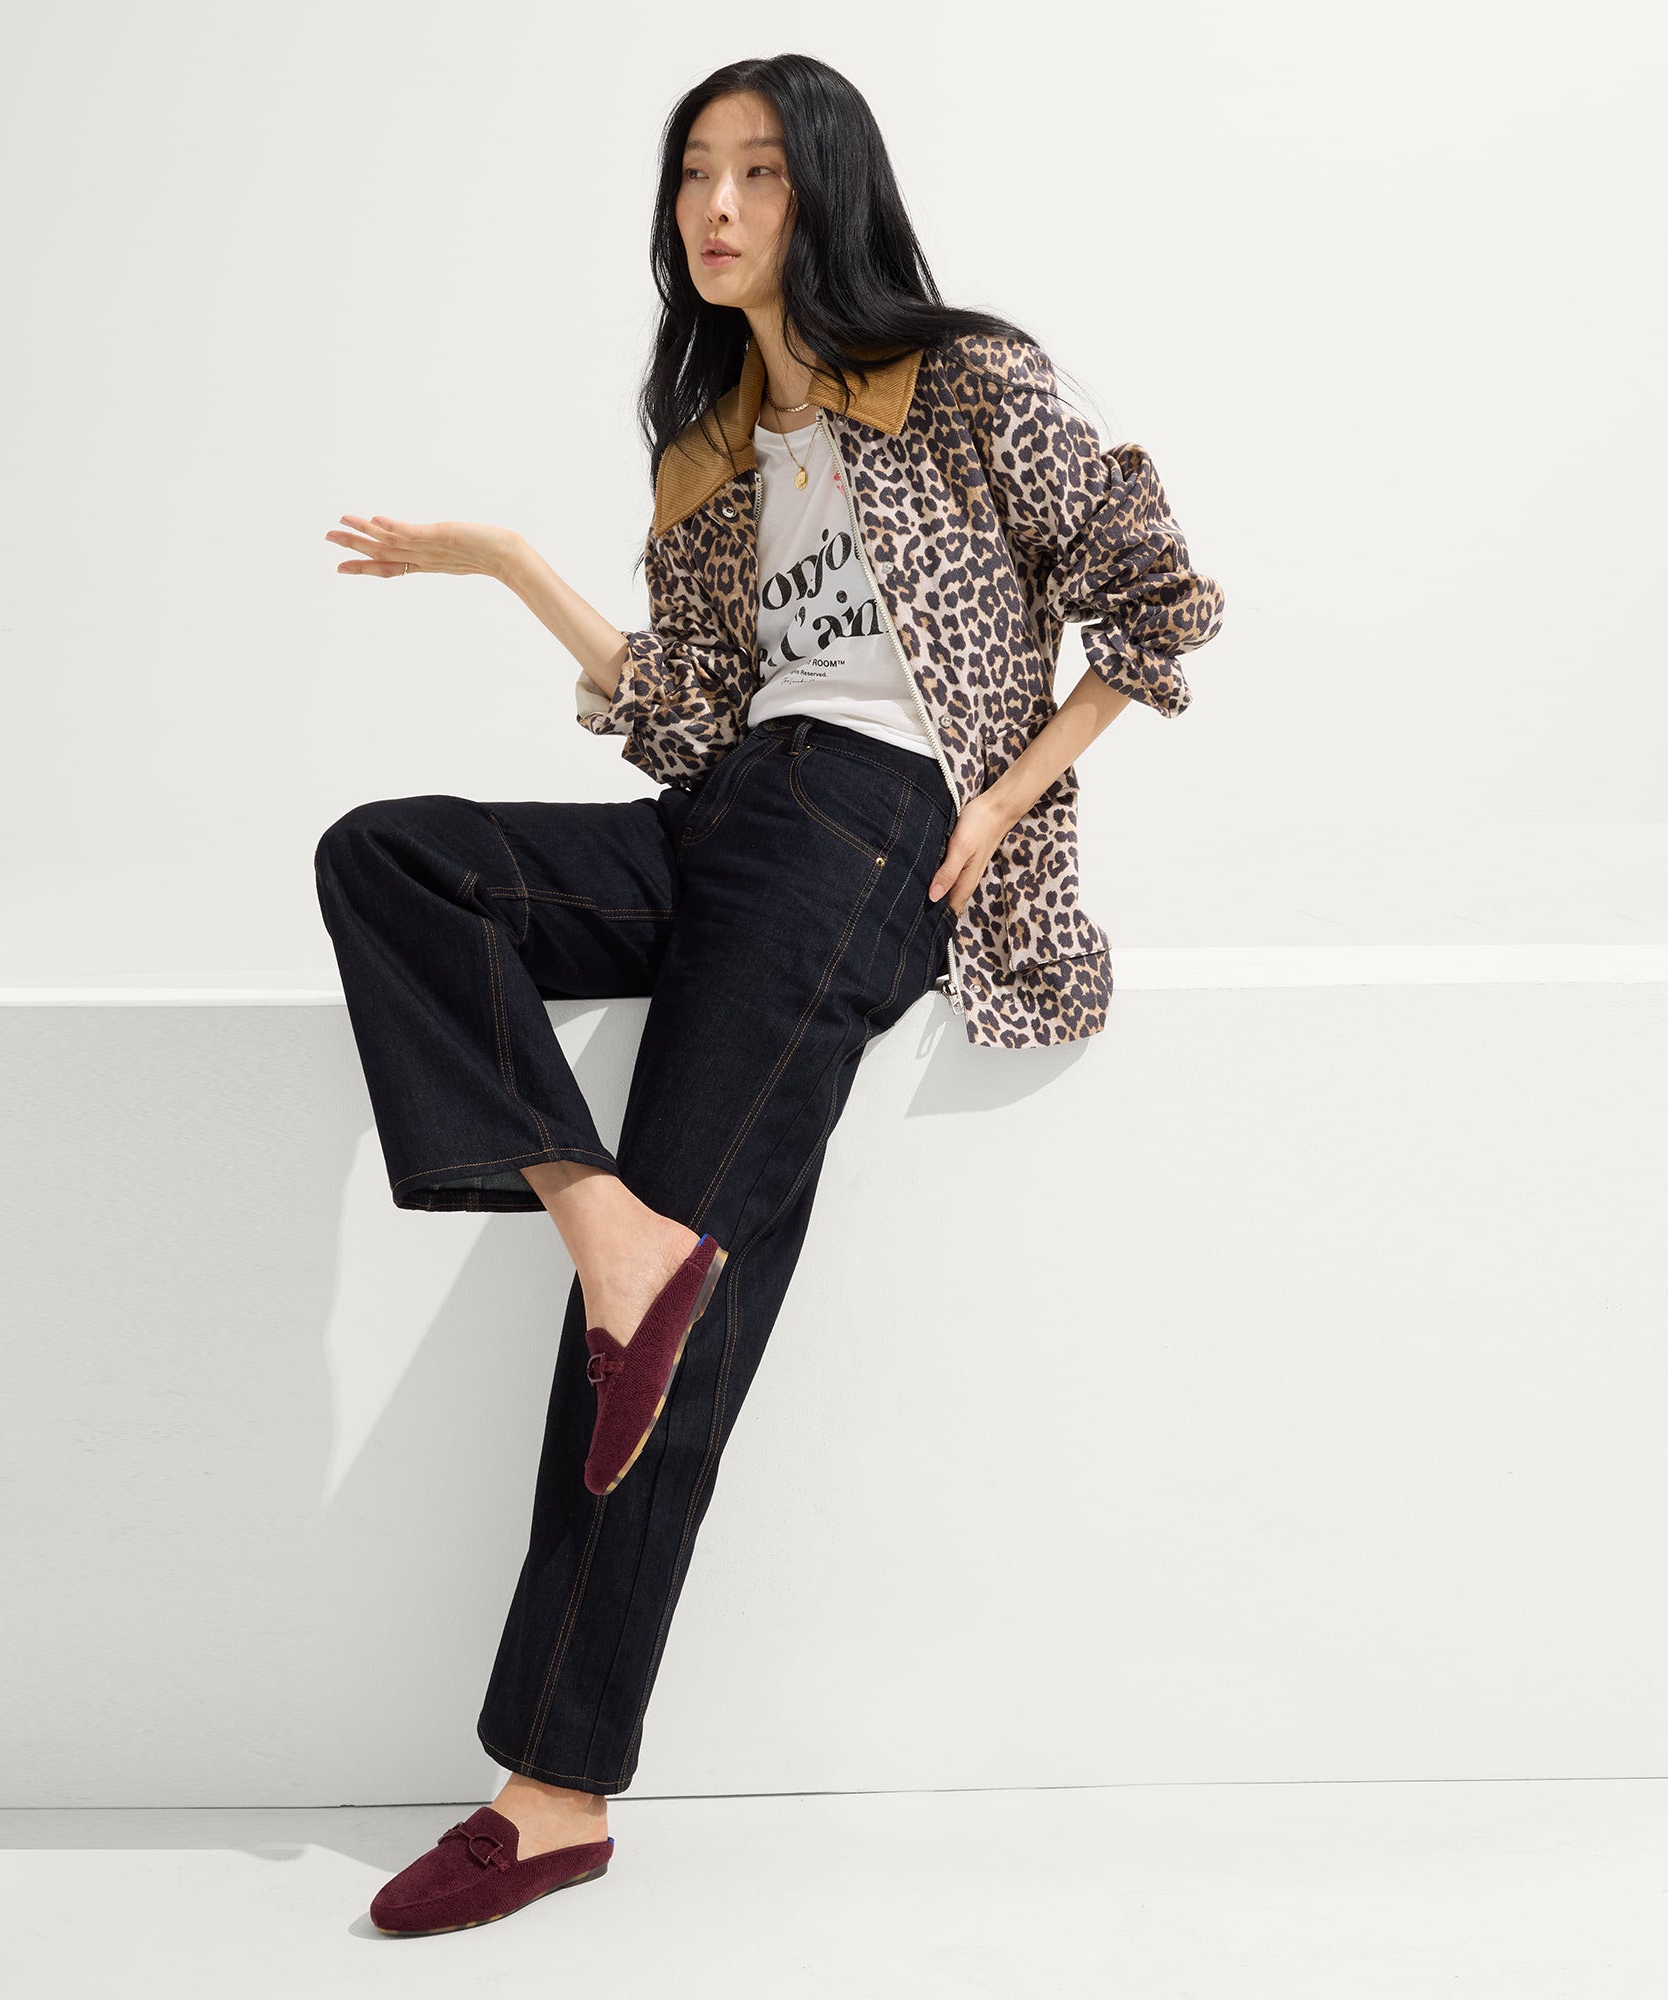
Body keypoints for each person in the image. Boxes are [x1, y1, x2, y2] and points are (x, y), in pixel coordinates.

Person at [314, 54, 1225, 1938]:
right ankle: (606, 1227)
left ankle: (552, 1793)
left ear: (828, 191)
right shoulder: (713, 438)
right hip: (734, 812)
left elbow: (1157, 597)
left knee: (665, 1349)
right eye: (692, 175)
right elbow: (678, 720)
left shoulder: (966, 381)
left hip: (876, 829)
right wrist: (511, 567)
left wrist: (999, 799)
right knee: (393, 861)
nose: (717, 208)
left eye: (759, 174)